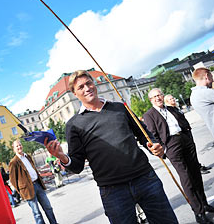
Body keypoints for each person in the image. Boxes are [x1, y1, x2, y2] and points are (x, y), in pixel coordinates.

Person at [45, 70, 178, 224]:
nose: (87, 88)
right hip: (113, 191)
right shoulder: (74, 124)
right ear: (74, 93)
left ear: (94, 84)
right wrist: (62, 157)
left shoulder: (120, 108)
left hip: (145, 178)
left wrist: (154, 145)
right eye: (81, 87)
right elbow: (77, 166)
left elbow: (143, 133)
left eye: (89, 83)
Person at [143, 88, 214, 224]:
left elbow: (184, 123)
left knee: (196, 174)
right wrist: (164, 149)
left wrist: (189, 137)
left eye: (159, 95)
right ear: (151, 100)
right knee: (186, 178)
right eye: (154, 97)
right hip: (171, 145)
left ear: (163, 96)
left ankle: (204, 204)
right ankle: (198, 212)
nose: (158, 98)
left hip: (185, 140)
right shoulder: (149, 115)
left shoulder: (171, 109)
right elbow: (153, 135)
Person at [9, 140, 57, 224]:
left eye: (20, 145)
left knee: (48, 207)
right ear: (14, 149)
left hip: (37, 184)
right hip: (27, 190)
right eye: (17, 146)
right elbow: (13, 180)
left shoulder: (27, 156)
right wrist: (21, 191)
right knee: (37, 213)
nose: (19, 147)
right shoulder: (14, 162)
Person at [164, 94, 211, 175]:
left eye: (173, 98)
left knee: (193, 150)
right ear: (167, 102)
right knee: (190, 153)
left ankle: (198, 166)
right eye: (171, 99)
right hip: (183, 133)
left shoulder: (176, 108)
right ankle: (197, 169)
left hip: (187, 131)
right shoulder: (169, 111)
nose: (173, 100)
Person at [190, 67, 214, 138]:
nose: (213, 80)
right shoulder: (205, 92)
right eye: (211, 77)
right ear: (206, 76)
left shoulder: (193, 95)